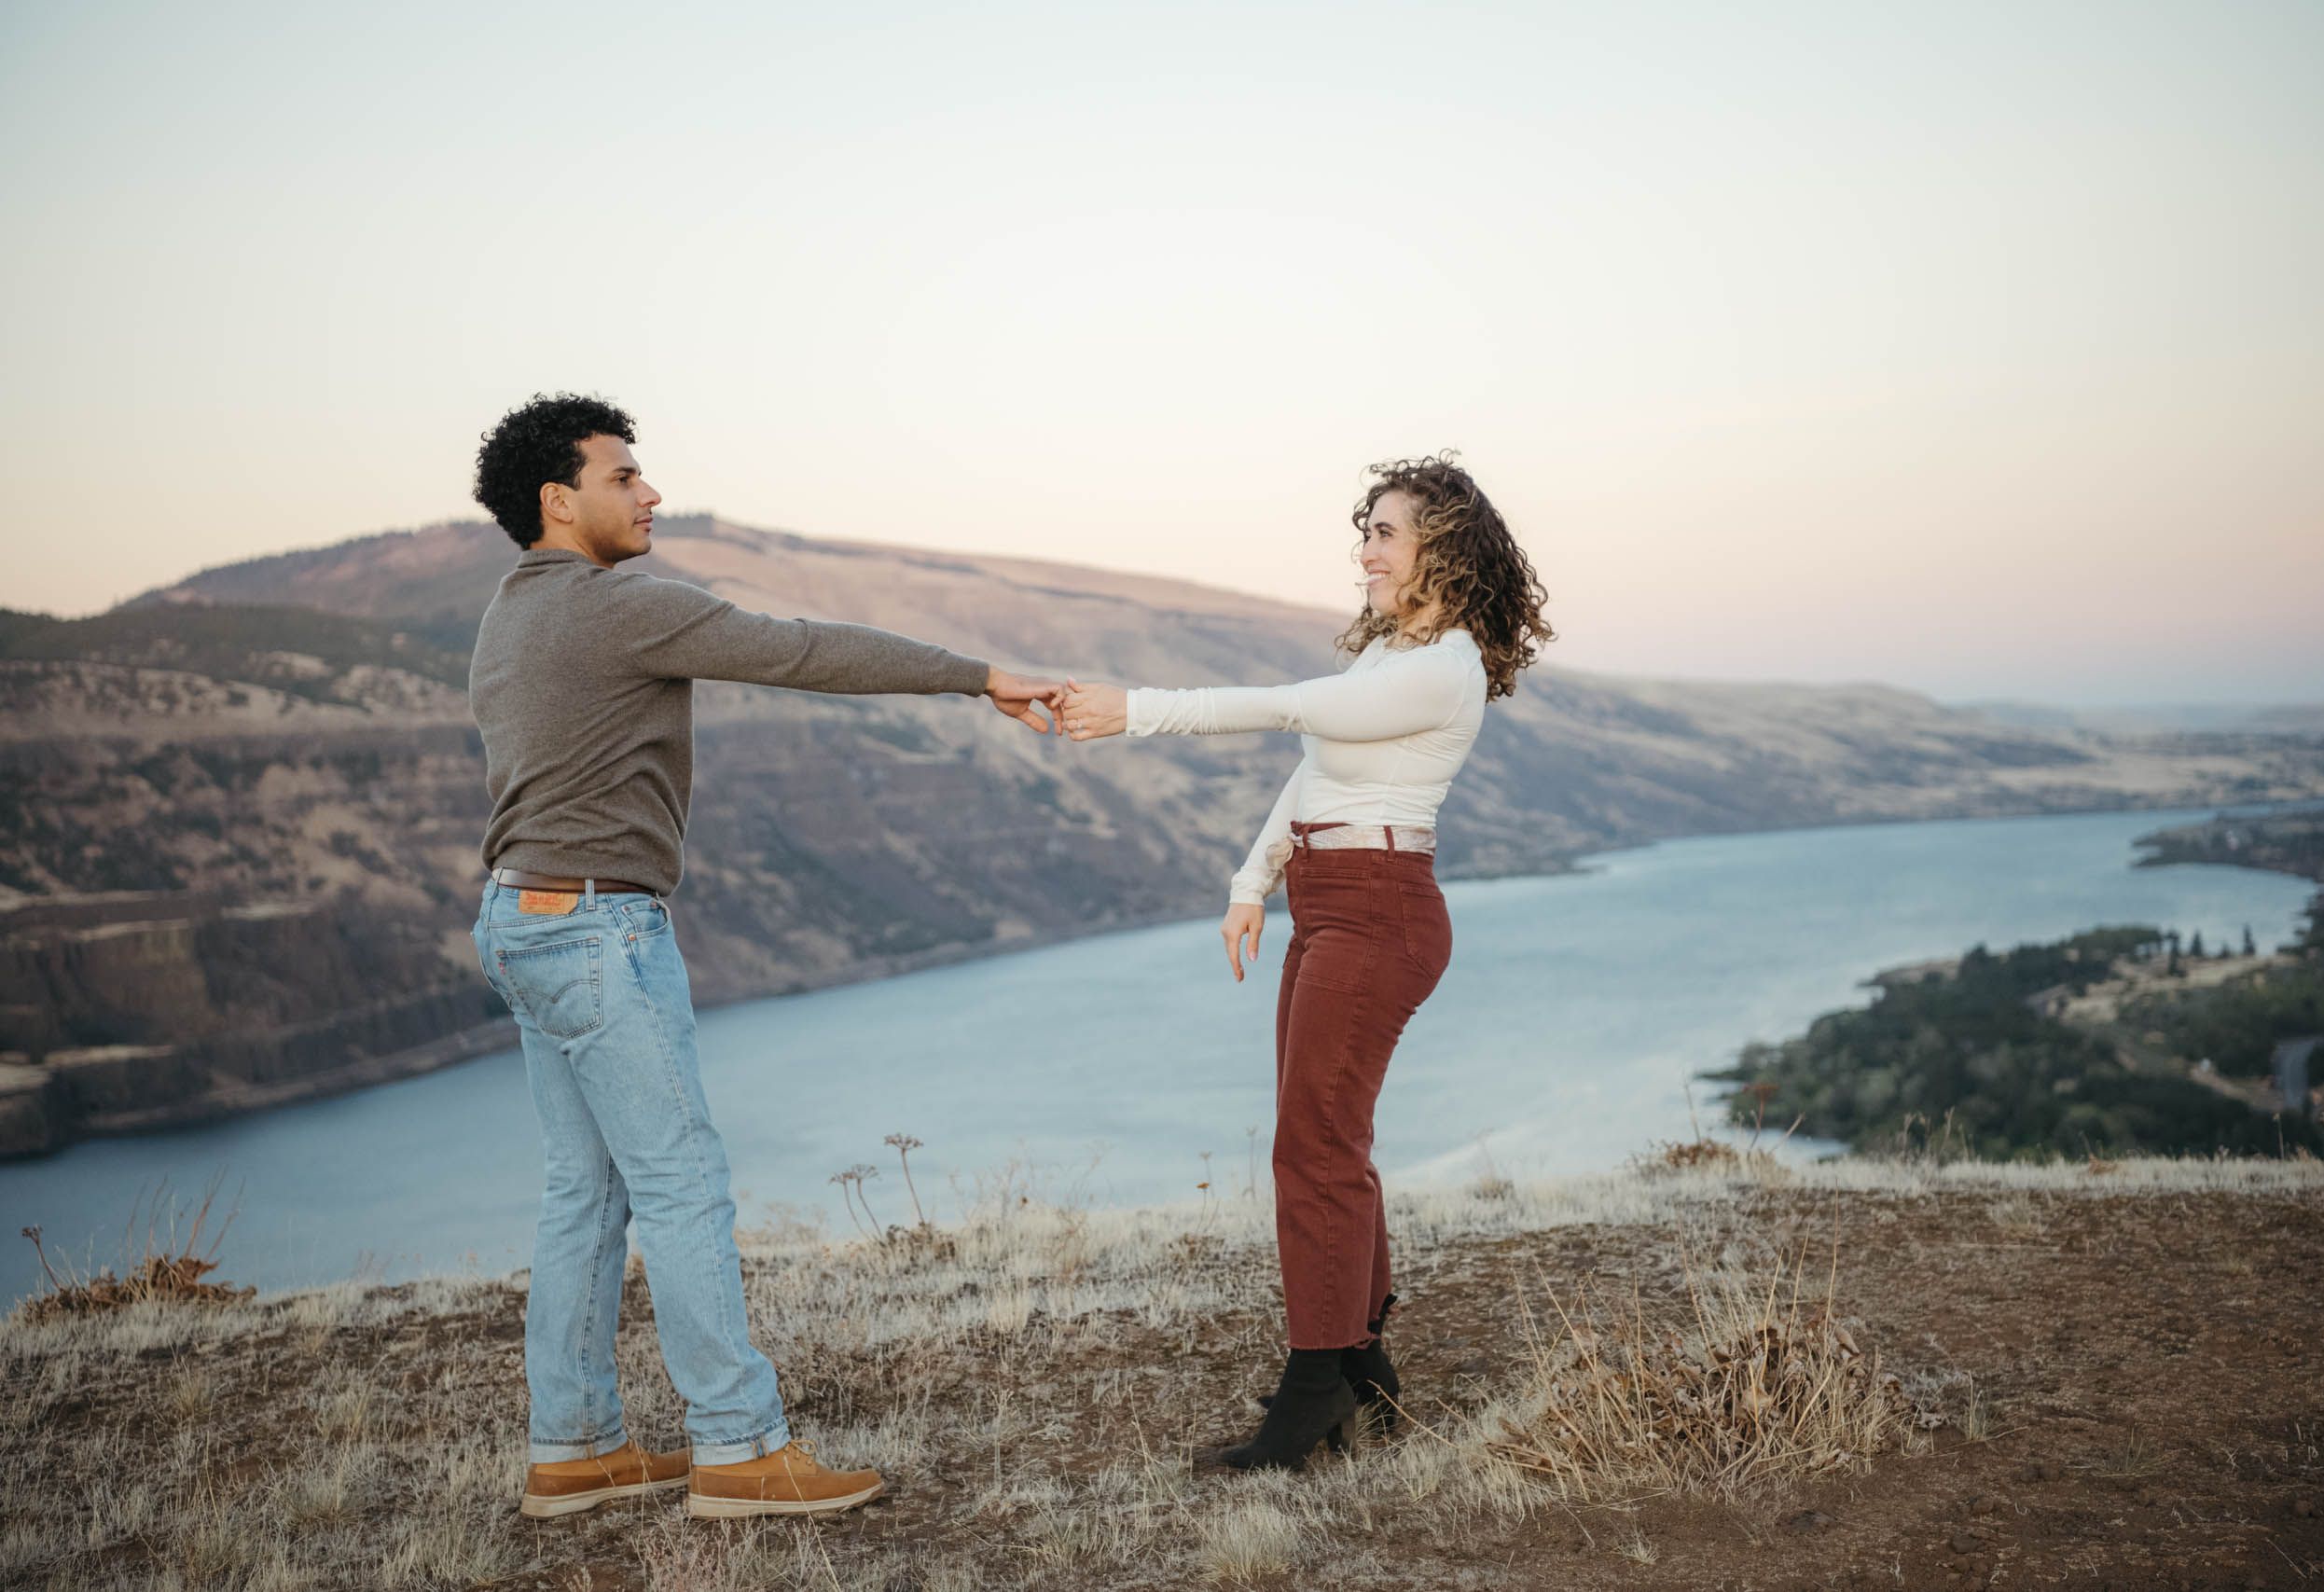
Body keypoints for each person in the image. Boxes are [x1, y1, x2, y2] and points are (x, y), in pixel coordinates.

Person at [465, 393, 1063, 1518]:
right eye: (625, 477)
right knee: (681, 1183)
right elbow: (800, 651)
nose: (650, 494)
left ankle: (576, 1446)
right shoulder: (615, 606)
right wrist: (979, 675)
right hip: (599, 928)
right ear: (560, 499)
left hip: (520, 922)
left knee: (581, 1191)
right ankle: (739, 1448)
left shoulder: (506, 614)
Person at [1056, 453, 1552, 1472]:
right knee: (1330, 1143)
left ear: (1441, 551)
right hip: (1334, 904)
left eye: (1385, 532)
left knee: (1309, 1150)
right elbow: (1313, 769)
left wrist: (1134, 709)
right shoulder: (1383, 656)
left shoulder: (1442, 665)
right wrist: (1254, 882)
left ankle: (1314, 1382)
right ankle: (1363, 1370)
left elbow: (1290, 710)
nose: (1365, 549)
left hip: (1380, 913)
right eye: (1363, 529)